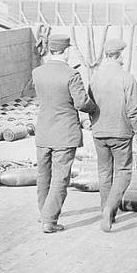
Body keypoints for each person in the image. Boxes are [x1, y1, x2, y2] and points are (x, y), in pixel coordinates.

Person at [31, 33, 94, 233]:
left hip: (43, 133)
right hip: (64, 134)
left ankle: (44, 212)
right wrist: (95, 108)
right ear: (66, 51)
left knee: (43, 175)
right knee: (60, 178)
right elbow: (82, 103)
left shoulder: (37, 72)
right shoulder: (71, 75)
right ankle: (49, 221)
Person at [88, 38, 137, 232]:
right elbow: (134, 111)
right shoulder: (127, 78)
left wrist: (95, 124)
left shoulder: (94, 77)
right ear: (119, 55)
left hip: (99, 132)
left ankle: (107, 211)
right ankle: (109, 210)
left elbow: (89, 104)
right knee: (123, 172)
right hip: (121, 133)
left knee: (104, 173)